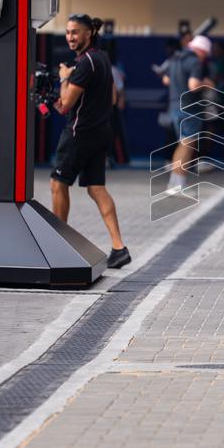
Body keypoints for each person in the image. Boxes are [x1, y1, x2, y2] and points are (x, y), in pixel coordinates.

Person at [51, 14, 131, 269]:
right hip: (101, 132)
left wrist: (64, 77)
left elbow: (65, 105)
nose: (70, 37)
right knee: (96, 188)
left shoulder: (84, 64)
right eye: (67, 32)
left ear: (88, 34)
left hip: (79, 133)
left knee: (57, 183)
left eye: (75, 32)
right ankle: (119, 248)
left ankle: (58, 245)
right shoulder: (103, 58)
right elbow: (113, 98)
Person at [162, 34, 213, 191]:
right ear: (202, 51)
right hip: (190, 108)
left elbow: (166, 80)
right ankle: (177, 185)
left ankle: (174, 183)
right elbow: (193, 85)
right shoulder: (195, 61)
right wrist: (207, 83)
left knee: (182, 144)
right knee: (187, 145)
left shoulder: (175, 59)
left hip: (174, 106)